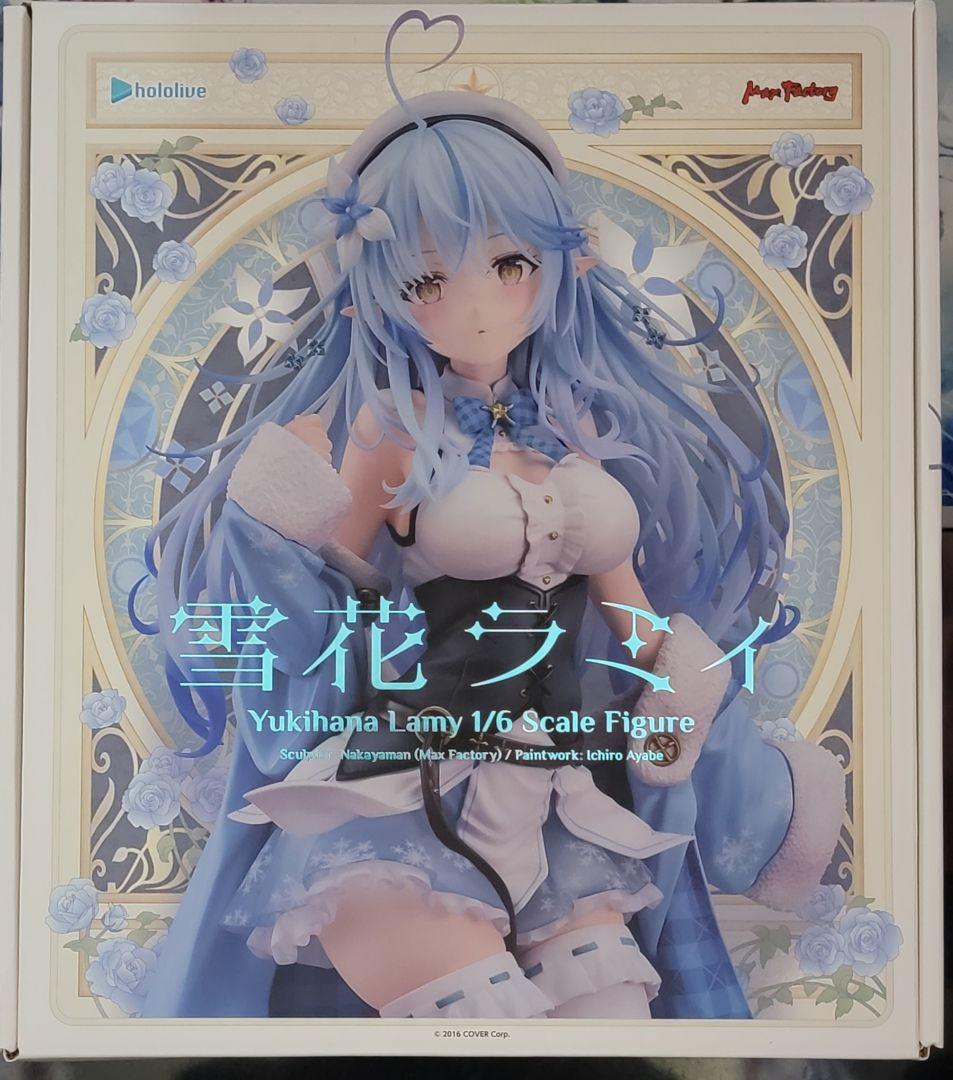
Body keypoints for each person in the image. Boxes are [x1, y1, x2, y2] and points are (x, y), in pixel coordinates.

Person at [138, 11, 845, 1021]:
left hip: (556, 796)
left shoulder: (579, 431)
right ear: (377, 294)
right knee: (480, 1021)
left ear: (561, 263)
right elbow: (321, 622)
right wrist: (278, 516)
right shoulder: (389, 428)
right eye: (427, 280)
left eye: (509, 264)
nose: (474, 306)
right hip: (409, 790)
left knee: (610, 1024)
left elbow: (633, 621)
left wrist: (692, 709)